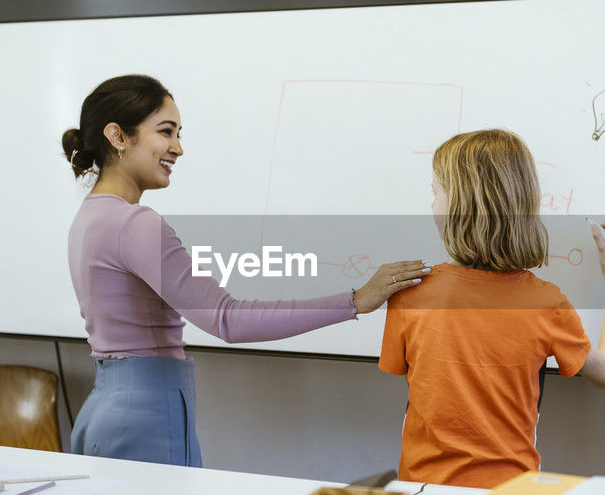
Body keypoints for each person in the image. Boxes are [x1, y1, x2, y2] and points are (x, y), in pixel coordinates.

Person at [62, 74, 428, 465]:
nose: (178, 148)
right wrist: (355, 300)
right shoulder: (135, 224)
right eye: (165, 132)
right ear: (117, 136)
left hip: (105, 411)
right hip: (144, 419)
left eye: (179, 133)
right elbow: (227, 319)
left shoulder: (89, 216)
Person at [379, 128, 605, 488]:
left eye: (436, 193)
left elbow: (406, 372)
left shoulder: (409, 295)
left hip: (422, 491)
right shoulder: (546, 303)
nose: (431, 205)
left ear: (459, 206)